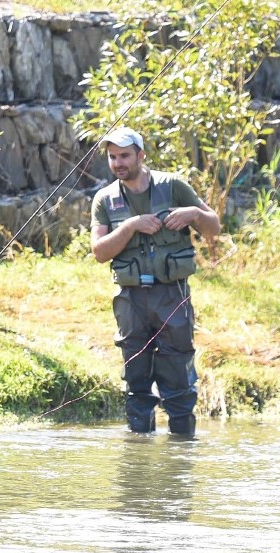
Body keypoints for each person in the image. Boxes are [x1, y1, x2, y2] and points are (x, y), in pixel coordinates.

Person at [90, 127, 221, 436]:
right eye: (112, 157)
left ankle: (181, 453)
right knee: (136, 381)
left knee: (178, 378)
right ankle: (139, 452)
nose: (118, 163)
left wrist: (191, 213)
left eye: (124, 155)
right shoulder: (105, 199)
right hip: (130, 300)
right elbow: (99, 252)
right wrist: (131, 226)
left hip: (171, 295)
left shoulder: (173, 186)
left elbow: (213, 228)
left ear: (141, 155)